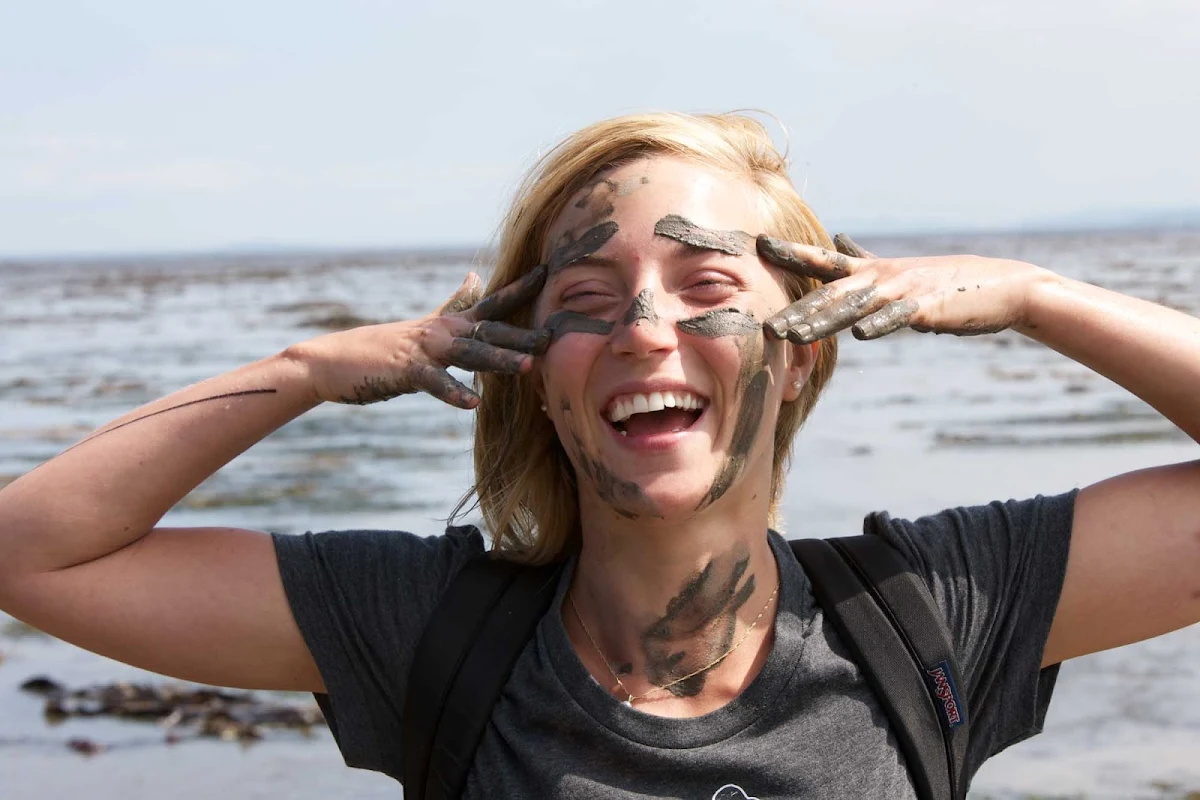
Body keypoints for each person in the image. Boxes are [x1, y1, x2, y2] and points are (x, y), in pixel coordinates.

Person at [0, 111, 1197, 799]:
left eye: (707, 284)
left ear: (801, 355)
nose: (643, 328)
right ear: (531, 361)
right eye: (589, 292)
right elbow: (31, 551)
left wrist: (1038, 299)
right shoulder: (429, 627)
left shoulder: (932, 613)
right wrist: (309, 371)